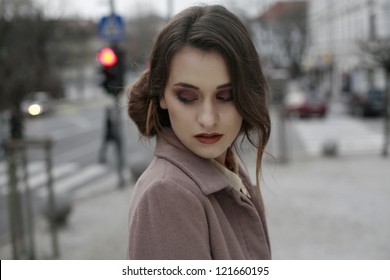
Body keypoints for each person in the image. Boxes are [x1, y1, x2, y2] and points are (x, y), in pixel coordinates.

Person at [126, 5, 271, 260]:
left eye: (226, 96)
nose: (208, 119)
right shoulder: (167, 195)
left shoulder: (229, 169)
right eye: (187, 97)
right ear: (162, 96)